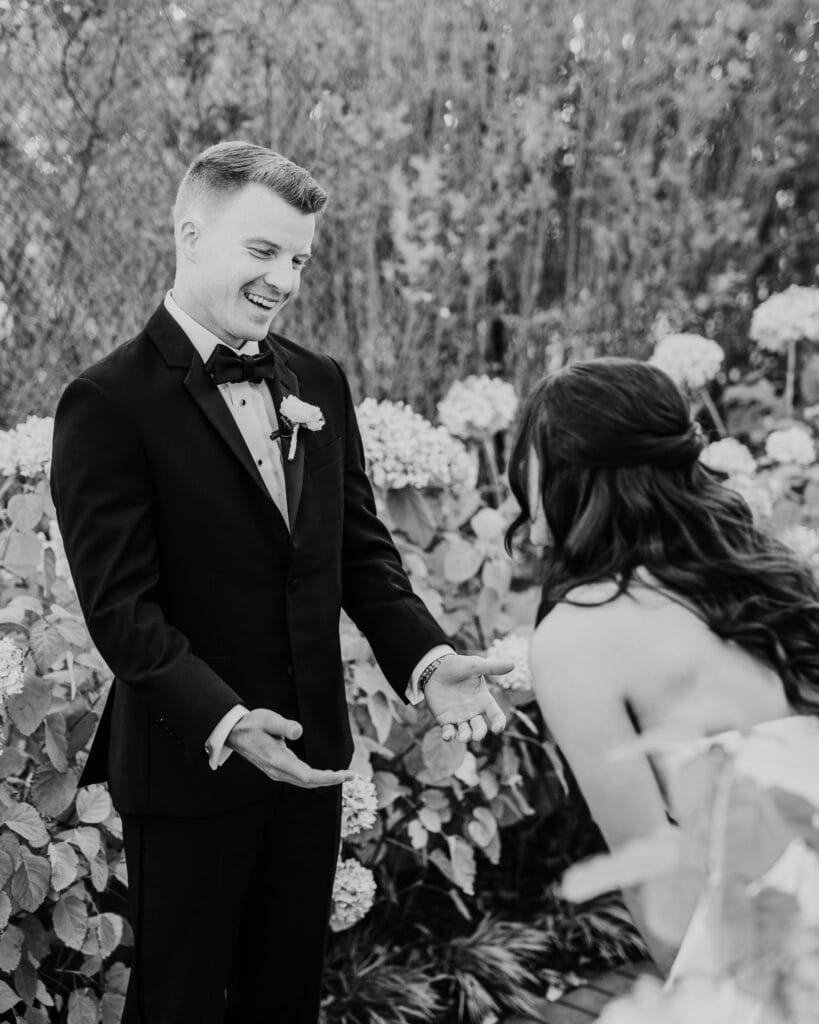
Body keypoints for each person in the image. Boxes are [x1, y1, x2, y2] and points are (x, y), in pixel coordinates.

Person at [50, 141, 512, 1024]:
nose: (284, 280)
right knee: (178, 1006)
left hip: (313, 765)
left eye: (298, 258)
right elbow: (120, 609)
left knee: (285, 1000)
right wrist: (226, 720)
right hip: (192, 767)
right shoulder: (107, 401)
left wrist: (426, 659)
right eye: (262, 252)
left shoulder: (320, 383)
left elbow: (363, 557)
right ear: (191, 234)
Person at [505, 357, 819, 977]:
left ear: (574, 471)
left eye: (530, 455)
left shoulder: (578, 636)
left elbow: (653, 882)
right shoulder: (761, 576)